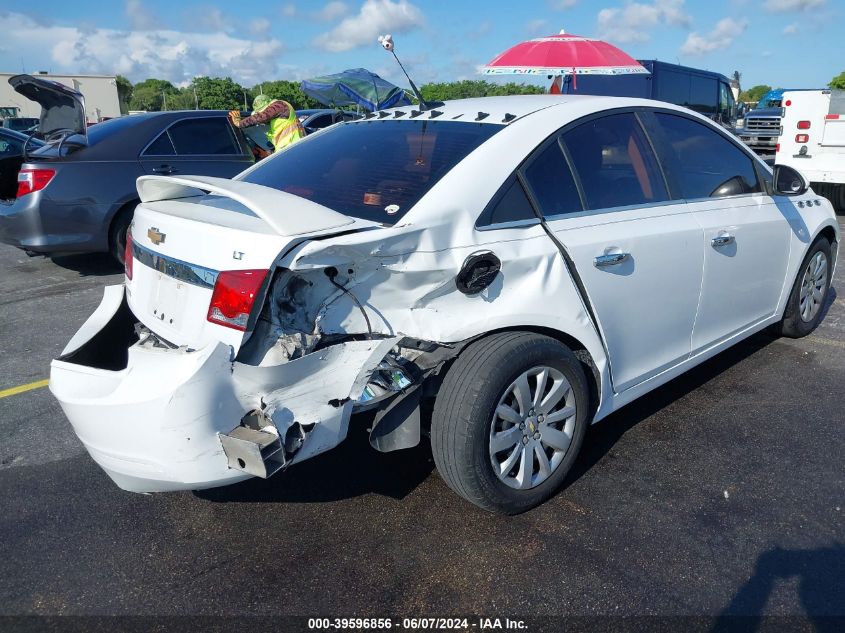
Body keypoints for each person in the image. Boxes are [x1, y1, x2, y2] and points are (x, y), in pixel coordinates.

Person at [228, 95, 304, 154]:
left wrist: (239, 123)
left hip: (293, 148)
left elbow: (261, 117)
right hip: (288, 150)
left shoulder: (279, 105)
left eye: (263, 111)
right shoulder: (277, 117)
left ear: (268, 105)